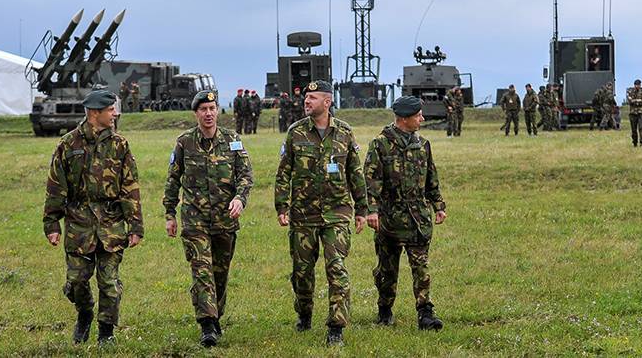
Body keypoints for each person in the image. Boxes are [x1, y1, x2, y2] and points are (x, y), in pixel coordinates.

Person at [43, 89, 144, 345]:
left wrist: (135, 226)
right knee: (76, 282)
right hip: (79, 224)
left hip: (111, 224)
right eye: (111, 110)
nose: (115, 114)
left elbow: (130, 187)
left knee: (109, 283)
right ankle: (85, 312)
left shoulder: (120, 145)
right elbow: (56, 186)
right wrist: (52, 223)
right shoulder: (68, 145)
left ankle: (106, 332)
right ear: (94, 113)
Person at [274, 81, 369, 347]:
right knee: (302, 273)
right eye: (306, 97)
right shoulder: (295, 132)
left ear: (327, 102)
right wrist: (282, 206)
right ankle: (304, 313)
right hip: (303, 215)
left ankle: (336, 327)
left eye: (312, 97)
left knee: (336, 268)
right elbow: (284, 173)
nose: (306, 101)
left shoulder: (345, 133)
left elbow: (355, 173)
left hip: (337, 213)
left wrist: (362, 209)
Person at [164, 90, 253, 347]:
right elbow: (173, 180)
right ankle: (207, 325)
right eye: (203, 109)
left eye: (212, 108)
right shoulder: (185, 142)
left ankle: (216, 316)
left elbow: (245, 175)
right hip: (195, 220)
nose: (209, 113)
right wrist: (170, 214)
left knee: (220, 274)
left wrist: (240, 198)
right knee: (202, 271)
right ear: (196, 114)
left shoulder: (232, 140)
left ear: (217, 111)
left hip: (225, 220)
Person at [364, 96, 447, 330]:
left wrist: (438, 206)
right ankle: (385, 309)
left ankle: (425, 313)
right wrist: (371, 211)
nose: (422, 118)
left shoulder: (423, 144)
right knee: (387, 271)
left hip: (418, 219)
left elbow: (431, 179)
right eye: (418, 115)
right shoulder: (380, 144)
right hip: (390, 219)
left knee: (421, 266)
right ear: (403, 118)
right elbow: (370, 181)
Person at [626, 79, 642, 147]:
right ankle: (635, 143)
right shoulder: (630, 91)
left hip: (640, 113)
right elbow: (629, 101)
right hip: (632, 113)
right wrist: (637, 100)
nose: (637, 86)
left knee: (641, 128)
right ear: (634, 85)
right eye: (636, 85)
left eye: (639, 85)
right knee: (634, 129)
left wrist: (634, 101)